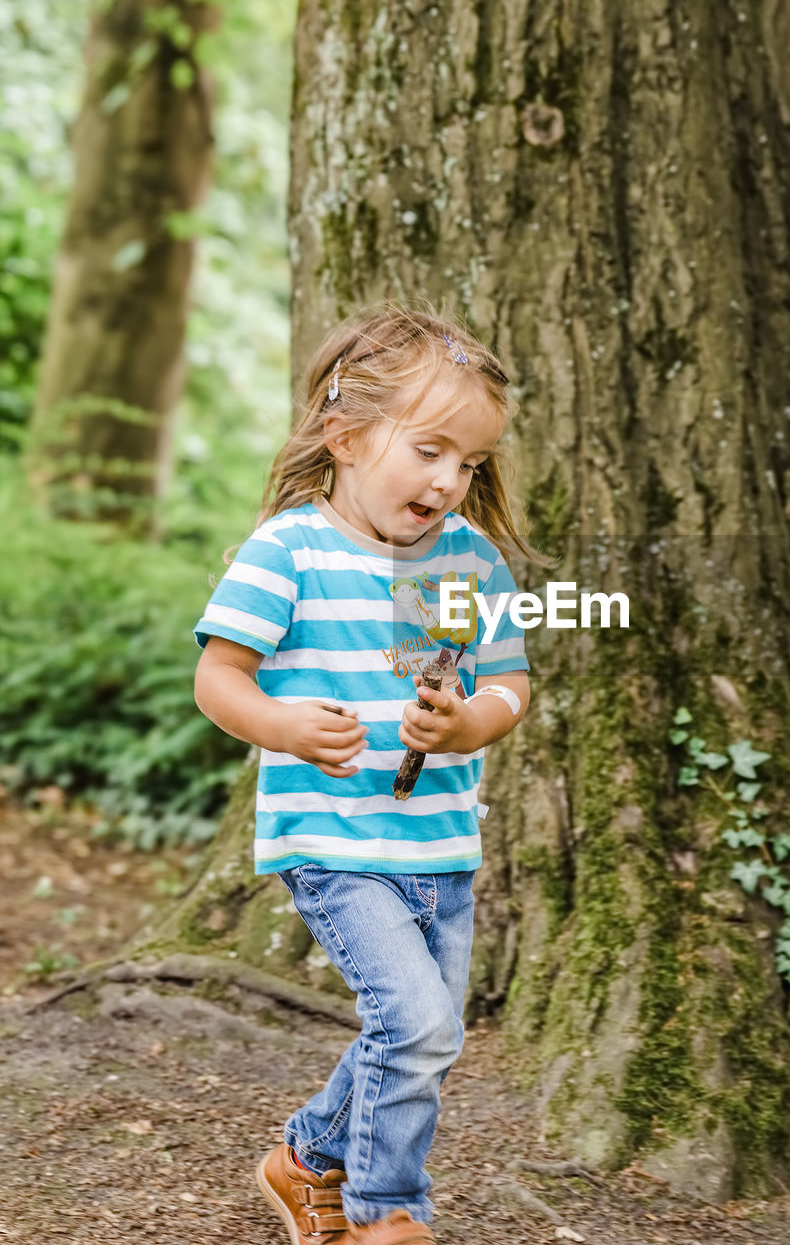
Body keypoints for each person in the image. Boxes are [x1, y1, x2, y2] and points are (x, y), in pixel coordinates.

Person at [193, 303, 536, 1245]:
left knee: (422, 1034)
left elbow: (509, 684)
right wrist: (281, 724)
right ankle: (386, 1212)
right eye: (430, 450)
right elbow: (218, 677)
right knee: (419, 1025)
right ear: (344, 437)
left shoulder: (466, 563)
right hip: (335, 843)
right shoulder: (290, 550)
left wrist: (469, 721)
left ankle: (305, 1159)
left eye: (468, 463)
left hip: (441, 846)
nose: (450, 482)